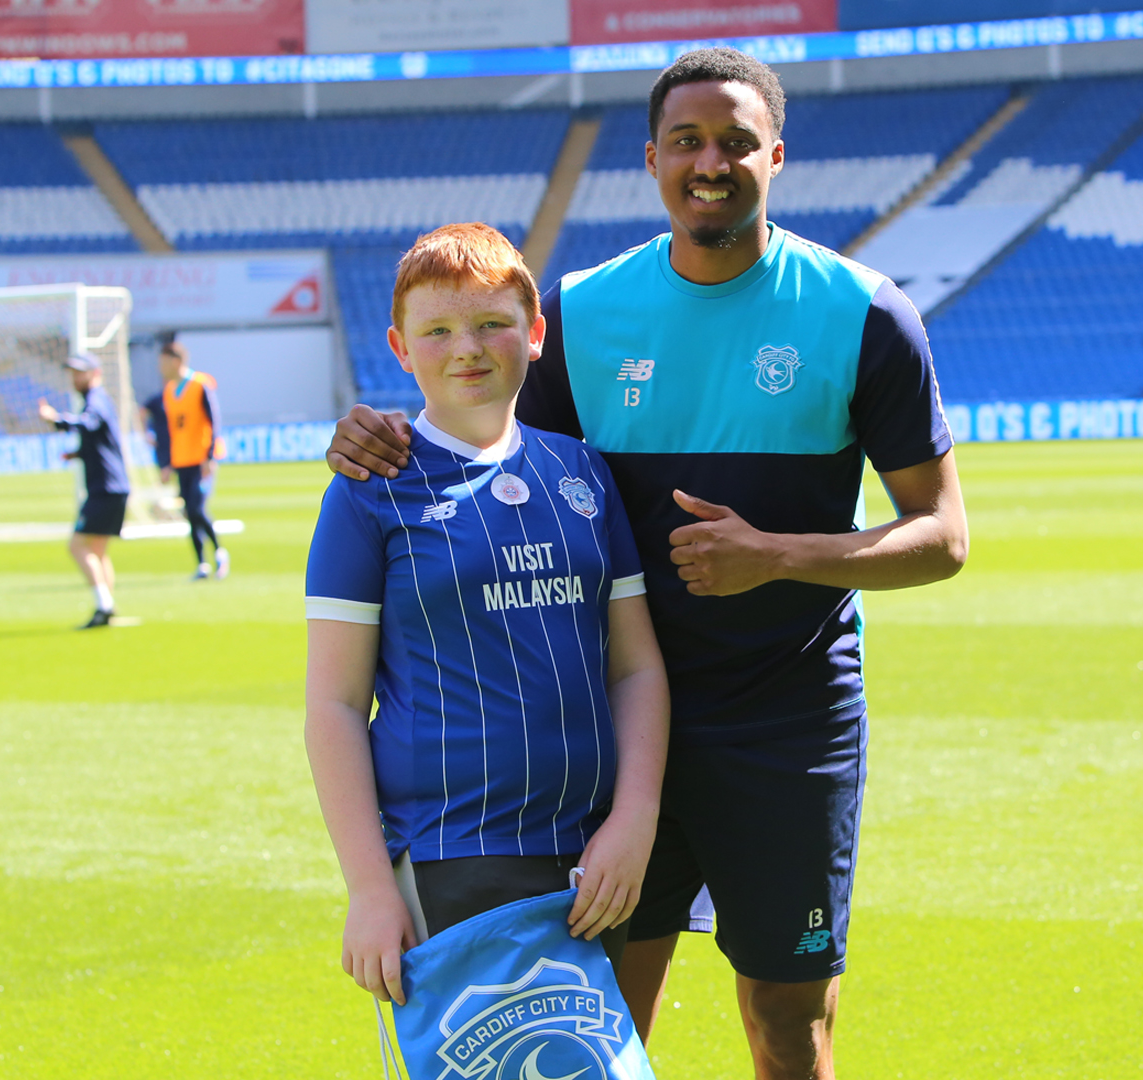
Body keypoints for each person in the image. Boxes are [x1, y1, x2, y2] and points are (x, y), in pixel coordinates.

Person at [326, 49, 969, 1080]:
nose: (710, 162)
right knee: (599, 1018)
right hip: (608, 738)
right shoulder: (586, 311)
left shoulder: (862, 313)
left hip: (787, 722)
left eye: (736, 141)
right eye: (687, 141)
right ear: (653, 159)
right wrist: (382, 435)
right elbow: (493, 444)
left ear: (776, 155)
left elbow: (941, 536)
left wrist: (777, 557)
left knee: (789, 1022)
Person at [304, 222, 671, 1006]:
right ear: (401, 349)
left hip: (594, 855)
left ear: (535, 335)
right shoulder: (368, 492)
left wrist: (636, 817)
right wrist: (369, 888)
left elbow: (635, 668)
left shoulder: (581, 472)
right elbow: (334, 704)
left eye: (492, 324)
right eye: (437, 331)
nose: (466, 349)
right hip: (453, 855)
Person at [38, 355, 130, 630]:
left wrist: (57, 419)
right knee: (98, 550)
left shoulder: (96, 400)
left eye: (80, 373)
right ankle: (108, 606)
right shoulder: (98, 400)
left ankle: (104, 605)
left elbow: (88, 423)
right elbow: (99, 439)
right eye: (73, 373)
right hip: (113, 485)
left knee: (77, 545)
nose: (75, 378)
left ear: (95, 373)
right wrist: (79, 453)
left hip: (105, 488)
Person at [158, 341, 229, 580]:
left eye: (163, 361)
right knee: (189, 511)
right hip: (182, 459)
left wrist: (209, 456)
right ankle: (202, 564)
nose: (160, 367)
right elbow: (170, 430)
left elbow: (213, 419)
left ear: (176, 361)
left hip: (200, 460)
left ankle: (219, 552)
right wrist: (167, 463)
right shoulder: (169, 390)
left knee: (197, 508)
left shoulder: (200, 384)